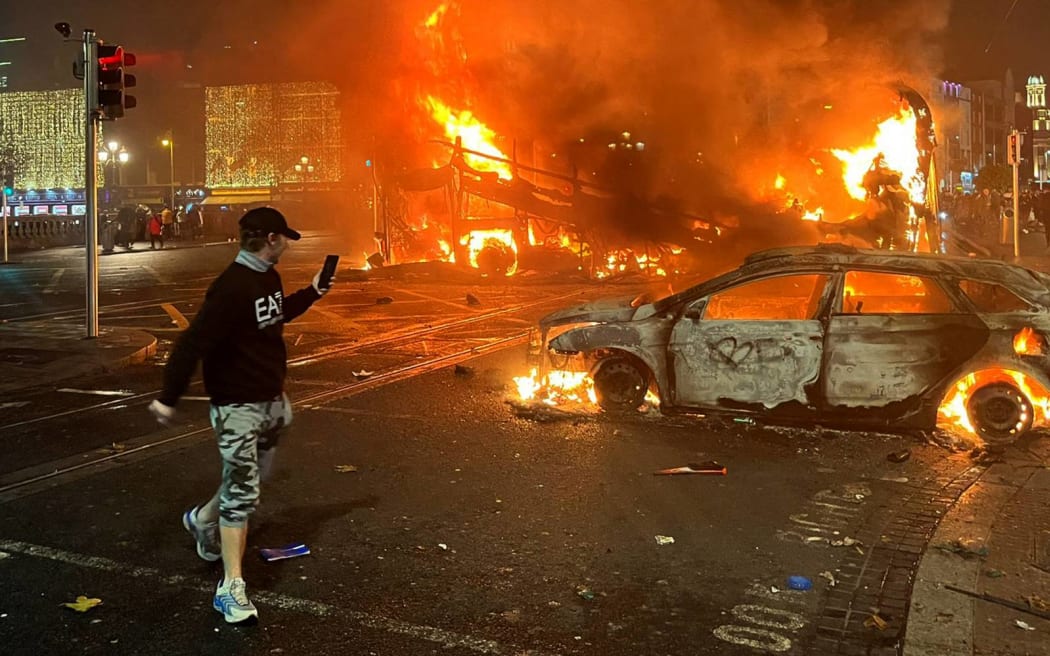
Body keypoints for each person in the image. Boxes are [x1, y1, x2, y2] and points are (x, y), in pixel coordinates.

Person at [148, 207, 334, 624]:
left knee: (245, 480)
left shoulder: (267, 276)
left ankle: (201, 519)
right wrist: (169, 397)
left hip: (270, 402)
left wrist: (314, 291)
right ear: (270, 239)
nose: (287, 242)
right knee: (244, 493)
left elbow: (274, 314)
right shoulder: (230, 288)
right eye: (284, 237)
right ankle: (231, 589)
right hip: (237, 406)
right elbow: (191, 343)